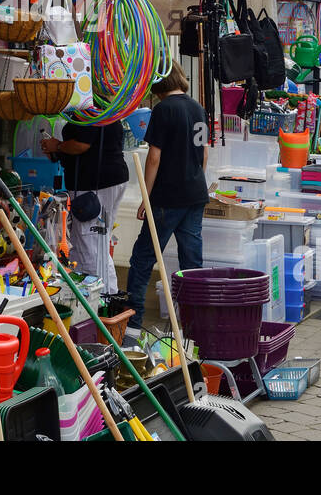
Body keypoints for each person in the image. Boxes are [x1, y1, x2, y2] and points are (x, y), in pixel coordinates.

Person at [125, 64, 208, 335]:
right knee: (192, 263)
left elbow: (153, 157)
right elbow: (204, 154)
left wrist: (144, 198)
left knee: (142, 259)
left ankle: (133, 326)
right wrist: (194, 180)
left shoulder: (163, 110)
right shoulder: (198, 108)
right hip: (195, 195)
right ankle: (193, 326)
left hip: (166, 198)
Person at [41, 120, 128, 293]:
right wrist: (56, 149)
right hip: (103, 182)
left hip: (96, 185)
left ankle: (104, 298)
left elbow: (82, 144)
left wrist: (57, 145)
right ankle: (90, 295)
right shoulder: (104, 110)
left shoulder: (89, 110)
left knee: (91, 243)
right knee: (89, 241)